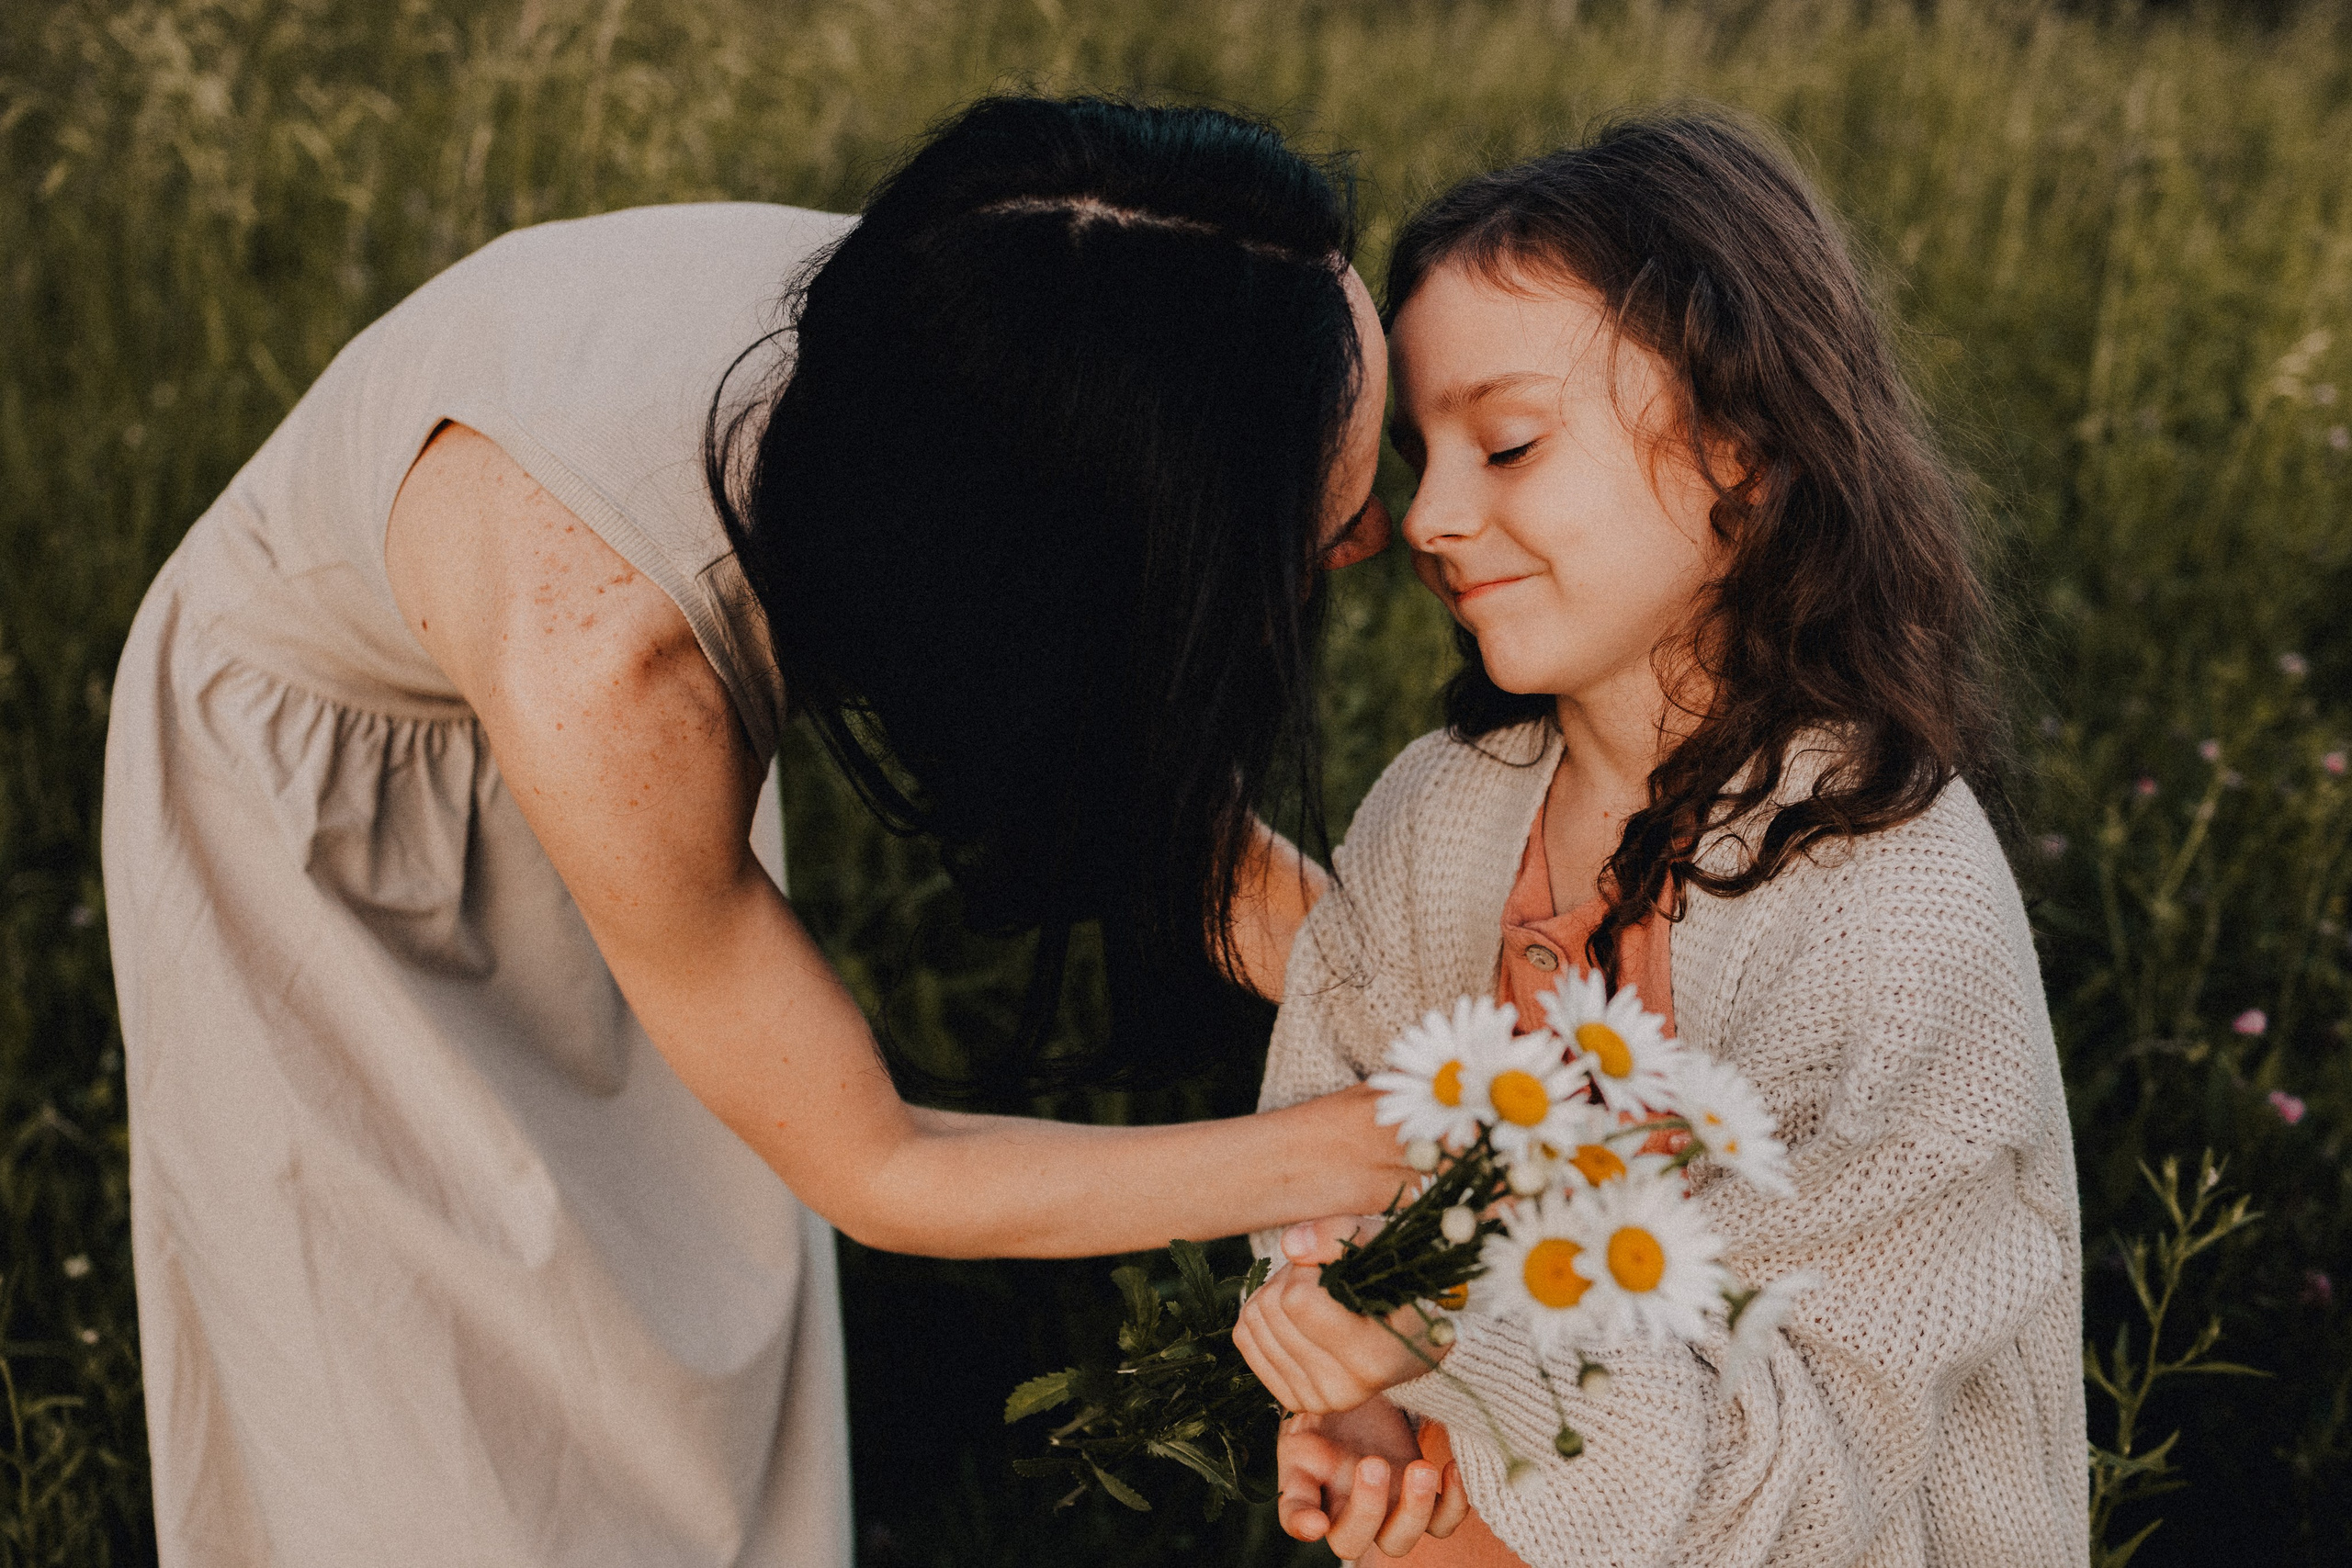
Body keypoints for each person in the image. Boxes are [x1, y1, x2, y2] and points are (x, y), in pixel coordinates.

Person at [101, 96, 1407, 1566]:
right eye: (1321, 518)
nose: (1377, 543)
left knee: (678, 1298)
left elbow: (1130, 795)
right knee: (407, 1381)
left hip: (570, 690)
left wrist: (1446, 1027)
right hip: (331, 801)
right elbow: (880, 1165)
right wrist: (1357, 1149)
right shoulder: (621, 668)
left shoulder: (1018, 332)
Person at [1231, 113, 2086, 1565]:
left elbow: (1809, 1487)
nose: (1432, 516)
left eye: (1506, 443)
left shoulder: (1894, 897)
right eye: (1420, 452)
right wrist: (1346, 1408)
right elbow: (1313, 1180)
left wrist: (1435, 1338)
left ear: (1742, 454)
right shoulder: (1434, 814)